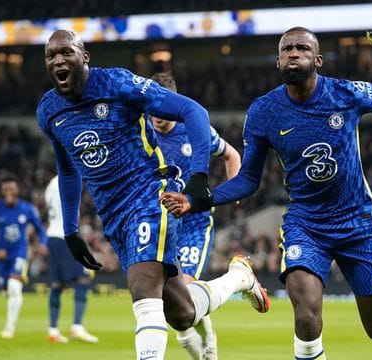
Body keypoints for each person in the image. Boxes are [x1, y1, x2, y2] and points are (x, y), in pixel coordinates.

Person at [161, 26, 372, 359]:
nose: (293, 53)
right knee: (305, 315)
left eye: (301, 48)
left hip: (356, 222)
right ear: (277, 61)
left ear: (317, 59)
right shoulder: (262, 112)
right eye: (287, 48)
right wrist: (200, 198)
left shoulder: (346, 94)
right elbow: (248, 179)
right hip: (306, 224)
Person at [36, 29, 268, 360]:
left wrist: (199, 176)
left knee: (143, 292)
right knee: (182, 313)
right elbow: (69, 170)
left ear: (84, 57)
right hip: (114, 215)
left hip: (150, 196)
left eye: (66, 53)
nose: (59, 60)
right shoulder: (49, 111)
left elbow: (195, 112)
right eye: (51, 56)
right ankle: (238, 278)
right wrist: (71, 230)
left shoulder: (117, 84)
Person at [149, 72, 242, 359]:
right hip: (159, 225)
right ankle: (205, 344)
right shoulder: (140, 131)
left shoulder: (194, 127)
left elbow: (232, 155)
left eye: (163, 109)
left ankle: (209, 347)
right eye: (152, 108)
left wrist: (233, 190)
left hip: (194, 224)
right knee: (174, 310)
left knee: (186, 294)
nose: (157, 115)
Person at [0, 173, 48, 339]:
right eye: (6, 189)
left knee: (14, 286)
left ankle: (9, 328)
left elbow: (40, 229)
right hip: (2, 255)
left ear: (17, 189)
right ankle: (10, 287)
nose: (9, 191)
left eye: (11, 188)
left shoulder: (27, 209)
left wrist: (42, 243)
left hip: (20, 253)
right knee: (6, 289)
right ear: (2, 191)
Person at [44, 175, 98, 343]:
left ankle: (53, 330)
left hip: (52, 235)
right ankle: (77, 326)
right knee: (84, 277)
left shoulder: (50, 184)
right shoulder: (67, 180)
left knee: (56, 284)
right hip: (63, 236)